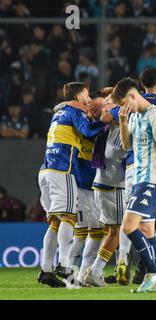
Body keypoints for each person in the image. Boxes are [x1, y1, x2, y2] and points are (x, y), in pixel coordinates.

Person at [110, 77, 156, 294]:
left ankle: (154, 272)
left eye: (122, 104)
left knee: (128, 226)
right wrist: (122, 122)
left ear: (131, 96)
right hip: (138, 179)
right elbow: (127, 145)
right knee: (147, 230)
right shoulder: (135, 117)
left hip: (152, 181)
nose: (122, 108)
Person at [37, 82, 106, 287]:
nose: (87, 101)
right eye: (85, 97)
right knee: (69, 216)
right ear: (78, 98)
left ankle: (46, 269)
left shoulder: (59, 113)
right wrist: (106, 121)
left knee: (56, 221)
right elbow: (87, 130)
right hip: (61, 169)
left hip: (45, 170)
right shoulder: (74, 110)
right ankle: (65, 265)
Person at [82, 91, 127, 287]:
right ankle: (95, 271)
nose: (107, 108)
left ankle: (93, 271)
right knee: (116, 232)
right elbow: (116, 152)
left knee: (110, 230)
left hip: (103, 184)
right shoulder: (115, 129)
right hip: (113, 185)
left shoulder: (106, 128)